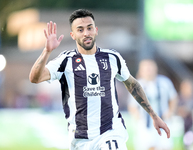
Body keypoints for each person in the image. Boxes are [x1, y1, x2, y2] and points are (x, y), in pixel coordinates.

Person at [29, 9, 170, 150]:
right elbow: (35, 78)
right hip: (80, 139)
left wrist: (154, 115)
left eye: (89, 28)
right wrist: (47, 51)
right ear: (72, 35)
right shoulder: (65, 60)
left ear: (96, 30)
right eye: (80, 29)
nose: (86, 33)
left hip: (110, 132)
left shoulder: (112, 58)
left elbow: (132, 85)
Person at [128, 59, 178, 150]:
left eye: (150, 68)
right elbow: (132, 105)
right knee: (147, 146)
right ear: (141, 70)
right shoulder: (136, 85)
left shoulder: (165, 82)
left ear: (156, 69)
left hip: (163, 121)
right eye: (146, 68)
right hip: (146, 124)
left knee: (165, 146)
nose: (148, 70)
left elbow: (173, 98)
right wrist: (137, 117)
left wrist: (170, 112)